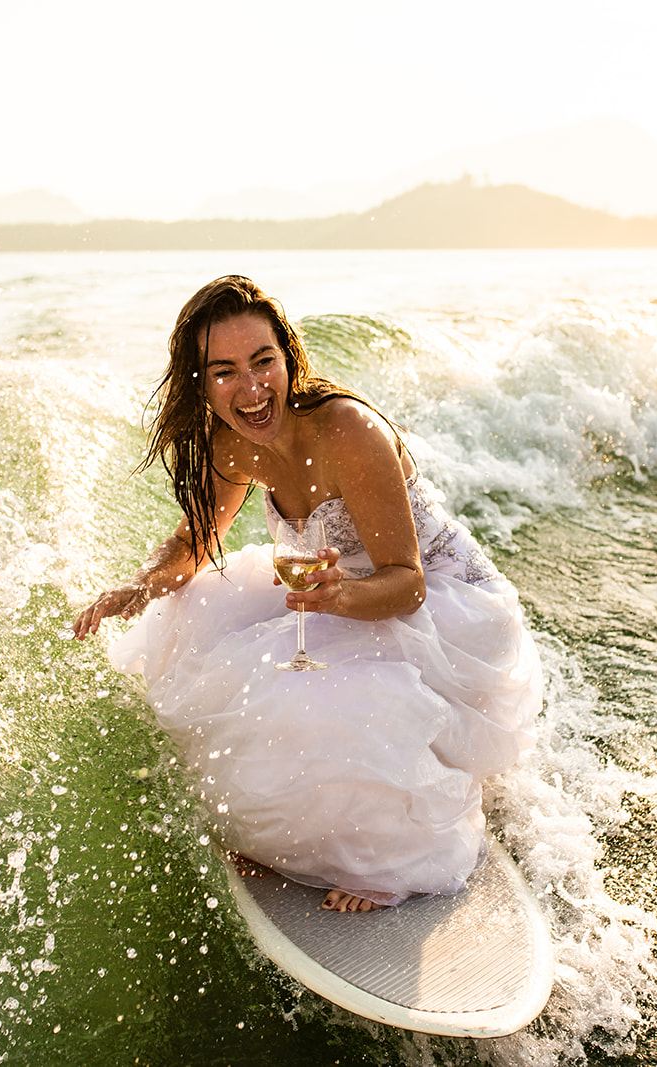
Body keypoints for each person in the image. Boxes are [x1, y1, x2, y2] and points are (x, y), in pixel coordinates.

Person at [74, 276, 540, 912]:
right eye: (225, 371)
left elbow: (405, 585)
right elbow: (195, 540)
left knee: (309, 693)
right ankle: (283, 826)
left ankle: (393, 856)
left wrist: (339, 596)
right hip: (329, 588)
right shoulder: (229, 444)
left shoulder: (347, 430)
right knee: (194, 608)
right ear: (201, 384)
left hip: (441, 606)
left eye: (264, 361)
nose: (252, 388)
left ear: (288, 357)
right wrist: (141, 586)